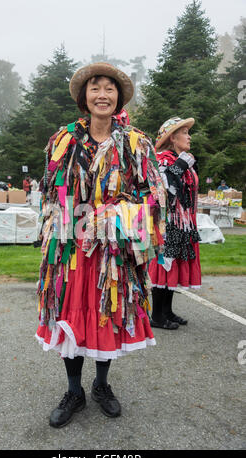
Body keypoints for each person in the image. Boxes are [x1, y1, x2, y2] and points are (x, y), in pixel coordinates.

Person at [35, 62, 166, 428]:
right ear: (84, 97)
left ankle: (101, 385)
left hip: (113, 253)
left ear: (118, 98)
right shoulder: (63, 141)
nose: (102, 94)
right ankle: (74, 390)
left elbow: (153, 196)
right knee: (72, 319)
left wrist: (116, 216)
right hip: (72, 252)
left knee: (107, 317)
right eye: (95, 88)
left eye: (109, 89)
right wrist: (66, 221)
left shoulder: (137, 143)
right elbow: (49, 192)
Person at [148, 117, 202, 329]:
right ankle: (157, 316)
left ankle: (167, 311)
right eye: (185, 132)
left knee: (173, 266)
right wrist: (179, 166)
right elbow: (162, 189)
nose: (189, 136)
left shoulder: (181, 159)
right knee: (164, 264)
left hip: (182, 222)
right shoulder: (161, 159)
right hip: (167, 223)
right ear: (173, 137)